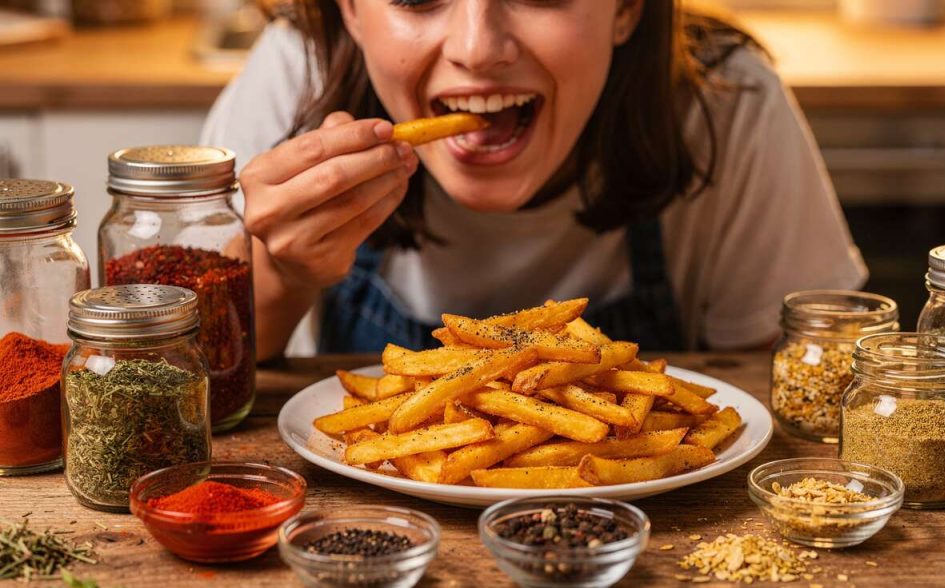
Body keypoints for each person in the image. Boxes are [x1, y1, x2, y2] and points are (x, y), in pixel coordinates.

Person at [201, 0, 867, 360]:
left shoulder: (727, 103)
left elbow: (793, 393)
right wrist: (280, 273)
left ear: (627, 8)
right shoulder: (295, 80)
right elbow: (182, 385)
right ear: (350, 9)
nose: (476, 48)